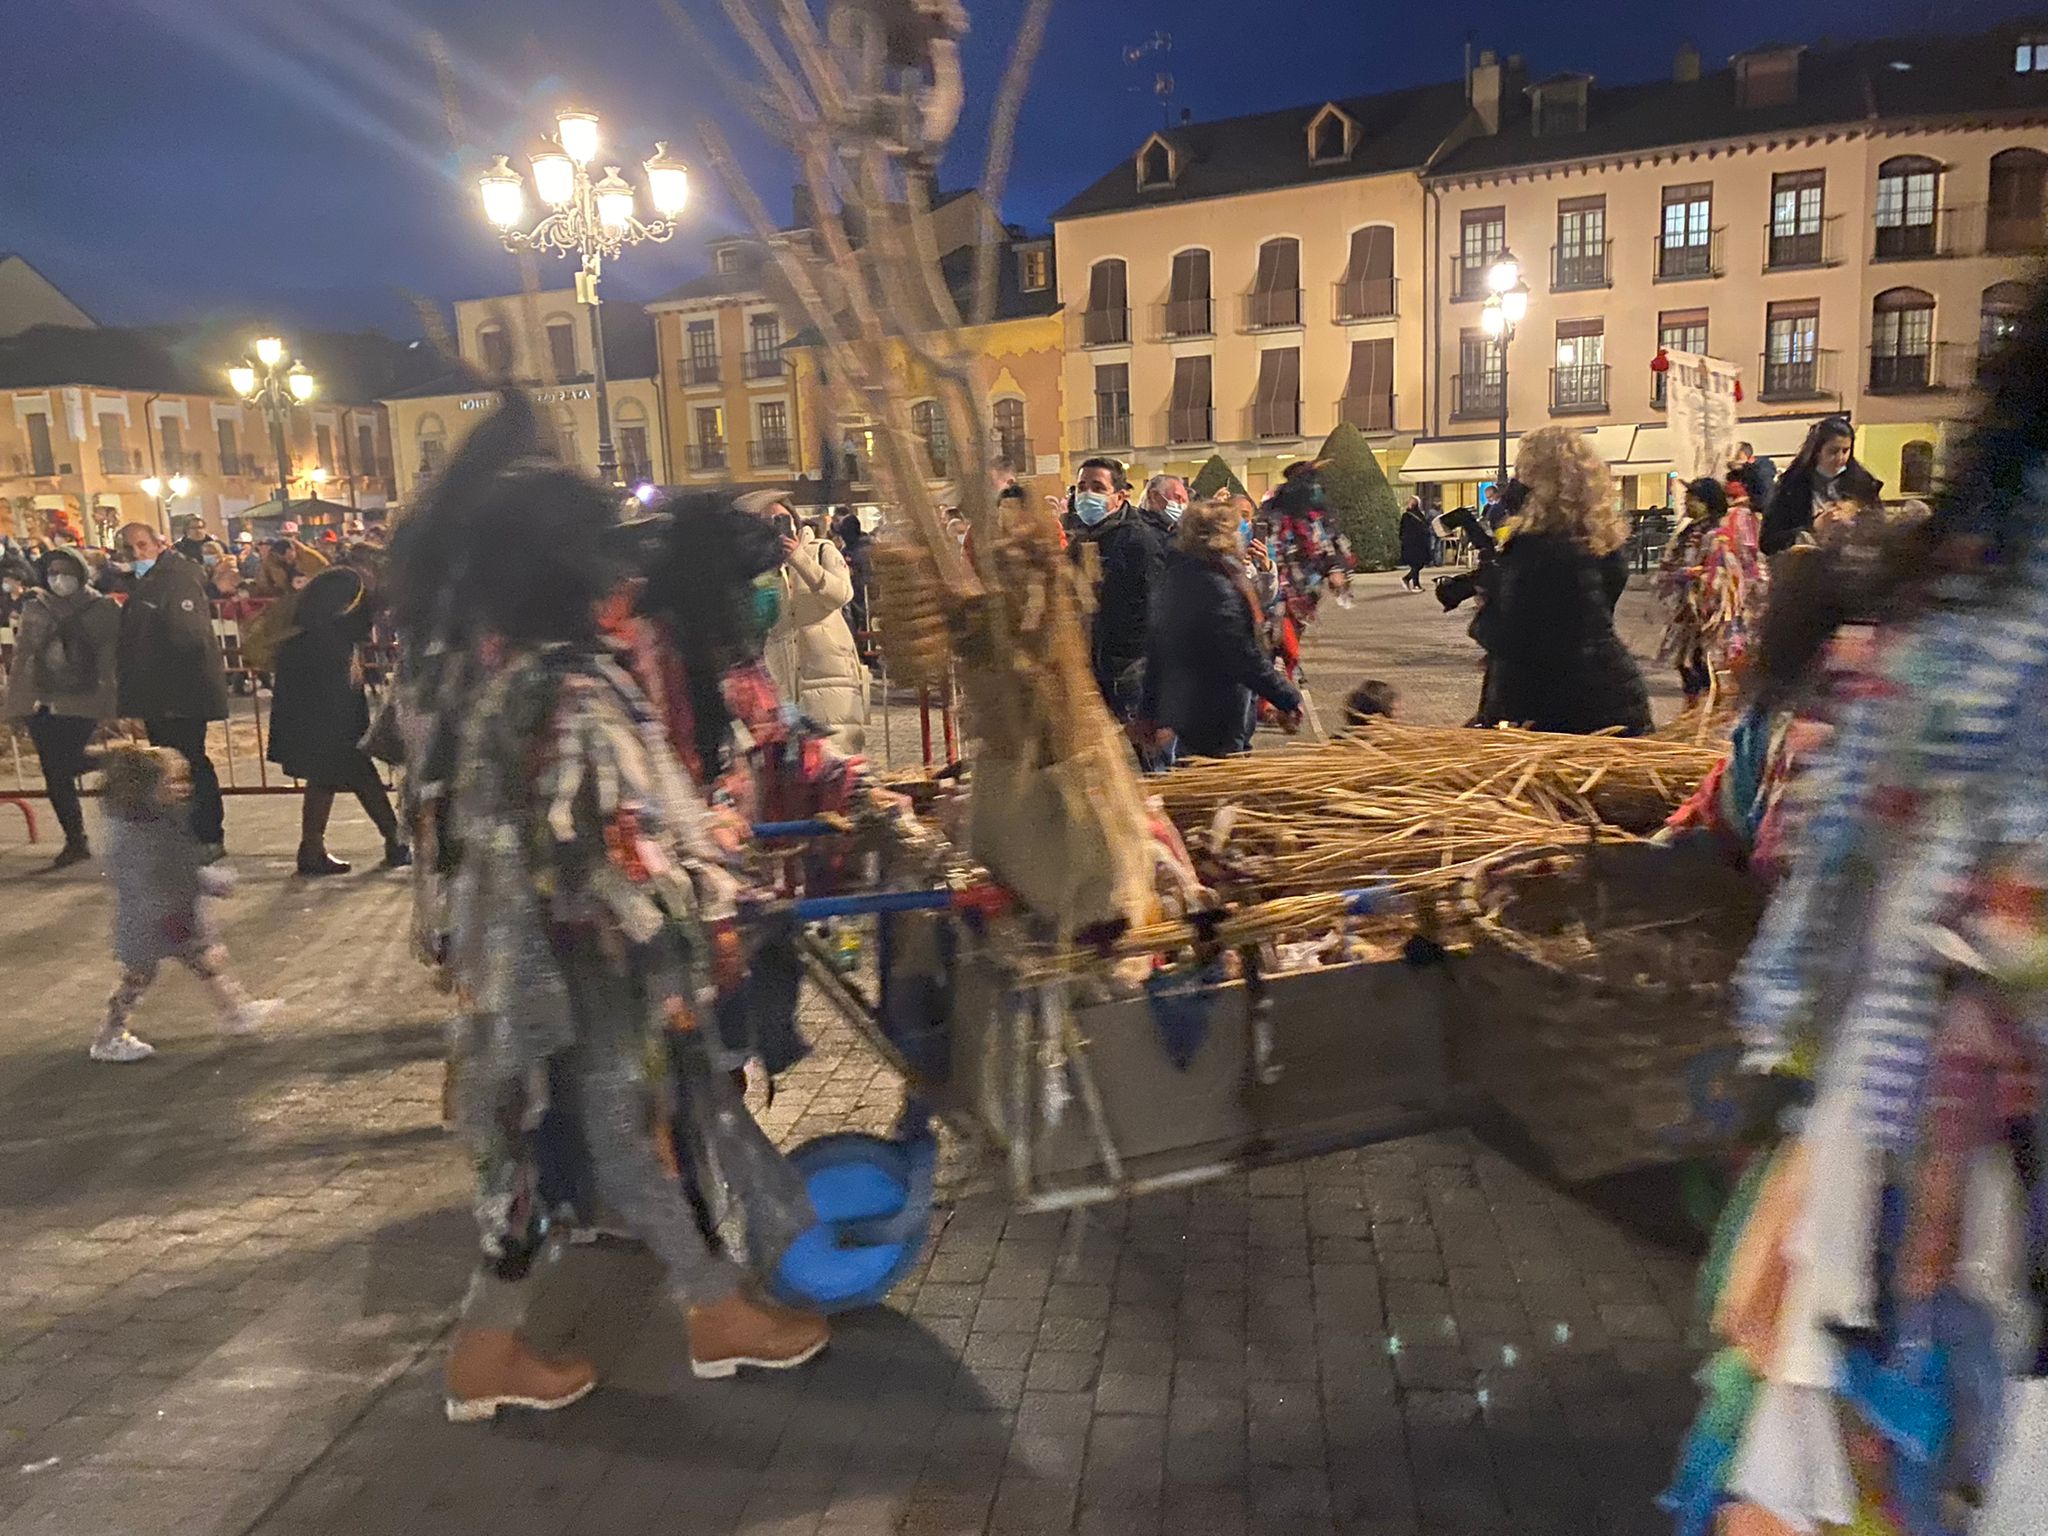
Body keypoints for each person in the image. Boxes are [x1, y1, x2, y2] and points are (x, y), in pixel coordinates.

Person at [1664, 274, 2048, 1536]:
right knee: (1860, 1445)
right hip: (1929, 1146)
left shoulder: (1952, 605)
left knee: (1826, 1455)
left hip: (1898, 1128)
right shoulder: (1983, 614)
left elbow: (1839, 877)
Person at [395, 394, 827, 1422]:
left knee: (618, 1138)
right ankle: (695, 1317)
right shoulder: (566, 691)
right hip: (579, 968)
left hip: (549, 967)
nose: (623, 570)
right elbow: (613, 856)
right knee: (623, 1131)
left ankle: (629, 1325)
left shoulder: (531, 676)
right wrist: (716, 902)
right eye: (603, 552)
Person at [86, 742, 279, 1063]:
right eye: (170, 783)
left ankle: (235, 1013)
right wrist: (203, 885)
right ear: (145, 789)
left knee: (202, 964)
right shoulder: (143, 833)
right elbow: (160, 877)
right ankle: (108, 1036)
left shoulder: (148, 822)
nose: (182, 788)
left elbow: (171, 870)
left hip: (162, 914)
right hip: (157, 917)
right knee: (140, 976)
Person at [1469, 427, 1650, 735]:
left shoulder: (1534, 546)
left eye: (1521, 472)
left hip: (1554, 708)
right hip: (1615, 696)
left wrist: (1485, 608)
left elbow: (1518, 639)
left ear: (1540, 481)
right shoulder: (1604, 541)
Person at [266, 566, 409, 875]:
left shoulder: (339, 594)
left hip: (320, 695)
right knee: (351, 766)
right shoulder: (346, 587)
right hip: (325, 697)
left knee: (328, 772)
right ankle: (394, 841)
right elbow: (323, 627)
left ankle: (313, 849)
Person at [1137, 495, 1302, 762]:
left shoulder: (1174, 578)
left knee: (1192, 773)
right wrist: (1286, 697)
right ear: (1223, 536)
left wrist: (1149, 710)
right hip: (1216, 710)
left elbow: (1157, 652)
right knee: (1217, 783)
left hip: (1184, 707)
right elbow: (1241, 655)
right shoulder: (1218, 587)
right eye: (1238, 529)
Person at [112, 522, 230, 857]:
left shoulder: (175, 578)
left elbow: (186, 637)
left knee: (189, 761)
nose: (136, 554)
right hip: (160, 693)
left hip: (179, 693)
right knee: (174, 763)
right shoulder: (150, 581)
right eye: (129, 548)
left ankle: (206, 834)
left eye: (141, 545)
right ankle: (187, 833)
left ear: (158, 544)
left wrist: (176, 692)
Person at [4, 547, 120, 868]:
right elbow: (23, 657)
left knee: (65, 763)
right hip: (42, 701)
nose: (58, 578)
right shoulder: (36, 608)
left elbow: (110, 660)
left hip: (82, 699)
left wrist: (111, 705)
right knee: (54, 774)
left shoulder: (102, 607)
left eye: (65, 571)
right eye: (52, 571)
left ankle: (110, 758)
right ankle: (75, 839)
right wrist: (16, 706)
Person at [751, 493, 869, 753]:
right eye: (767, 523)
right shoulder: (762, 569)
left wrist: (798, 559)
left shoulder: (822, 551)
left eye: (779, 519)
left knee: (842, 764)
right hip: (784, 686)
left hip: (830, 679)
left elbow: (841, 594)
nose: (774, 526)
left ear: (794, 521)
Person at [1067, 456, 1165, 721]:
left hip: (1132, 668)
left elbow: (1156, 609)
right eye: (1082, 486)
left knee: (1144, 755)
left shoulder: (1139, 540)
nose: (1087, 494)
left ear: (1120, 497)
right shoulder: (1080, 538)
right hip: (1095, 667)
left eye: (1098, 488)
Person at [1655, 476, 1764, 704]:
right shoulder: (1689, 531)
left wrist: (1696, 575)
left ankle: (1707, 716)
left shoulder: (1719, 534)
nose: (1687, 504)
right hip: (1689, 615)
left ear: (1707, 502)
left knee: (1707, 666)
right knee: (1687, 665)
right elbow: (1672, 563)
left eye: (1692, 499)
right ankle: (1693, 713)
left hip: (1712, 618)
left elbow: (1727, 574)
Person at [1760, 415, 1883, 555]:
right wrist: (1813, 528)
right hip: (1805, 569)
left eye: (1845, 450)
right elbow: (1768, 543)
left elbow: (1881, 531)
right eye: (1833, 451)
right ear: (1817, 451)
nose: (1840, 458)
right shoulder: (1790, 487)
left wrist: (1857, 517)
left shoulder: (1864, 485)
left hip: (1854, 565)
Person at [832, 507, 874, 664]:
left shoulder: (862, 549)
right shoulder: (850, 549)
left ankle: (867, 655)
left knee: (865, 623)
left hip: (863, 593)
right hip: (855, 593)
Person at [1727, 439, 1777, 511]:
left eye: (1733, 455)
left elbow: (1765, 499)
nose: (1729, 460)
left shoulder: (1761, 473)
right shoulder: (1740, 473)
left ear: (1742, 455)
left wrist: (1748, 500)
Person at [1137, 473, 1189, 540]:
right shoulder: (1138, 531)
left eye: (1185, 500)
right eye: (1177, 497)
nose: (1183, 505)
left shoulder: (1179, 529)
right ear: (1154, 496)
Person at [1398, 496, 1433, 590]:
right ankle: (1415, 584)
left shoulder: (1419, 514)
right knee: (1416, 564)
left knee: (1419, 564)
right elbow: (1403, 530)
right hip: (1412, 544)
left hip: (1420, 543)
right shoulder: (1407, 516)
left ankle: (1407, 579)